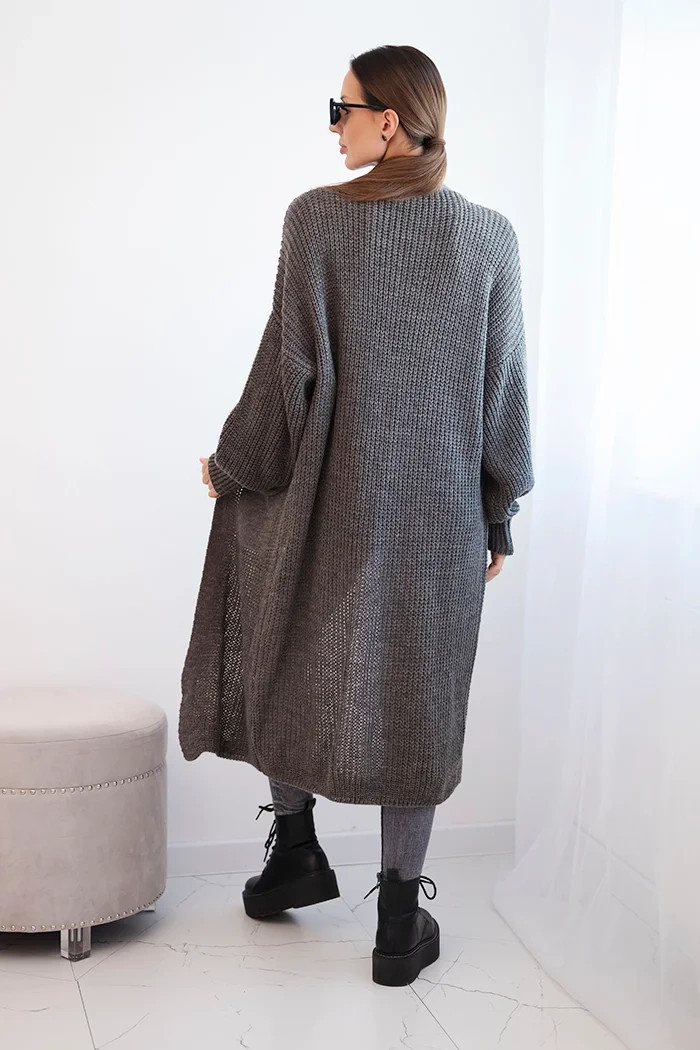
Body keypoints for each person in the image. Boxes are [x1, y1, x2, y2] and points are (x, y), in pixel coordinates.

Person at [181, 44, 535, 987]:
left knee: (282, 646)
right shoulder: (491, 238)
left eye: (340, 109)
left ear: (390, 120)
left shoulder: (317, 220)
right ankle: (396, 921)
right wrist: (496, 515)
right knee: (418, 694)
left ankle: (297, 849)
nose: (333, 126)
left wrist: (232, 465)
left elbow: (284, 374)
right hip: (439, 523)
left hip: (330, 507)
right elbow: (504, 397)